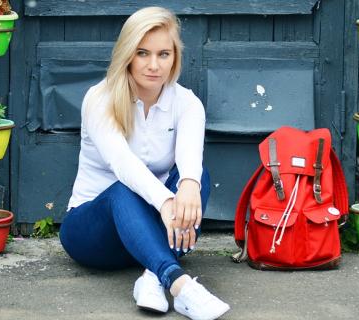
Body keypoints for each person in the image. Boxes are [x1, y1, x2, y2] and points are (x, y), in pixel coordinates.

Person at [59, 6, 230, 320]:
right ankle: (179, 285)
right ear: (127, 54)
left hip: (151, 234)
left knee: (196, 177)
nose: (154, 65)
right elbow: (122, 163)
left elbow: (190, 157)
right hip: (92, 235)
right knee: (122, 190)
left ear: (175, 57)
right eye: (143, 53)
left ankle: (151, 277)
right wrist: (167, 202)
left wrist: (189, 185)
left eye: (164, 54)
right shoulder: (100, 99)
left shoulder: (187, 103)